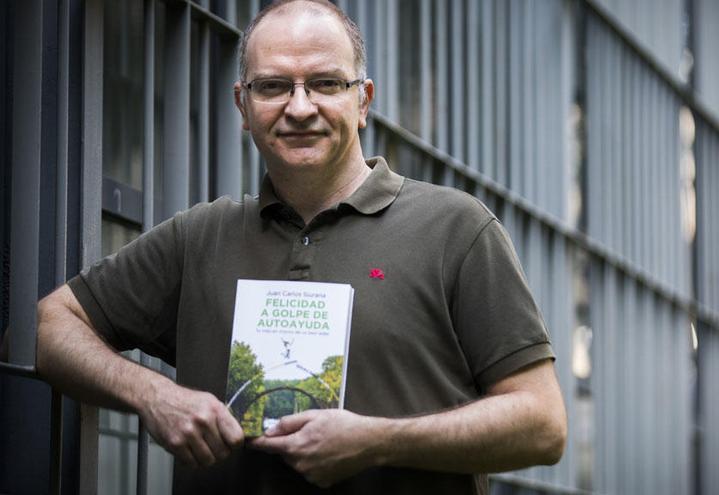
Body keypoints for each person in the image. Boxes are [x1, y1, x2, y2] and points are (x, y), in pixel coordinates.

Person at [35, 0, 566, 493]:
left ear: (363, 101)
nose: (300, 107)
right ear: (243, 106)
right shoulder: (201, 236)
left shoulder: (456, 228)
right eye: (272, 87)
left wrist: (377, 439)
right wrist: (151, 394)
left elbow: (542, 425)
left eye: (326, 83)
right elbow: (44, 328)